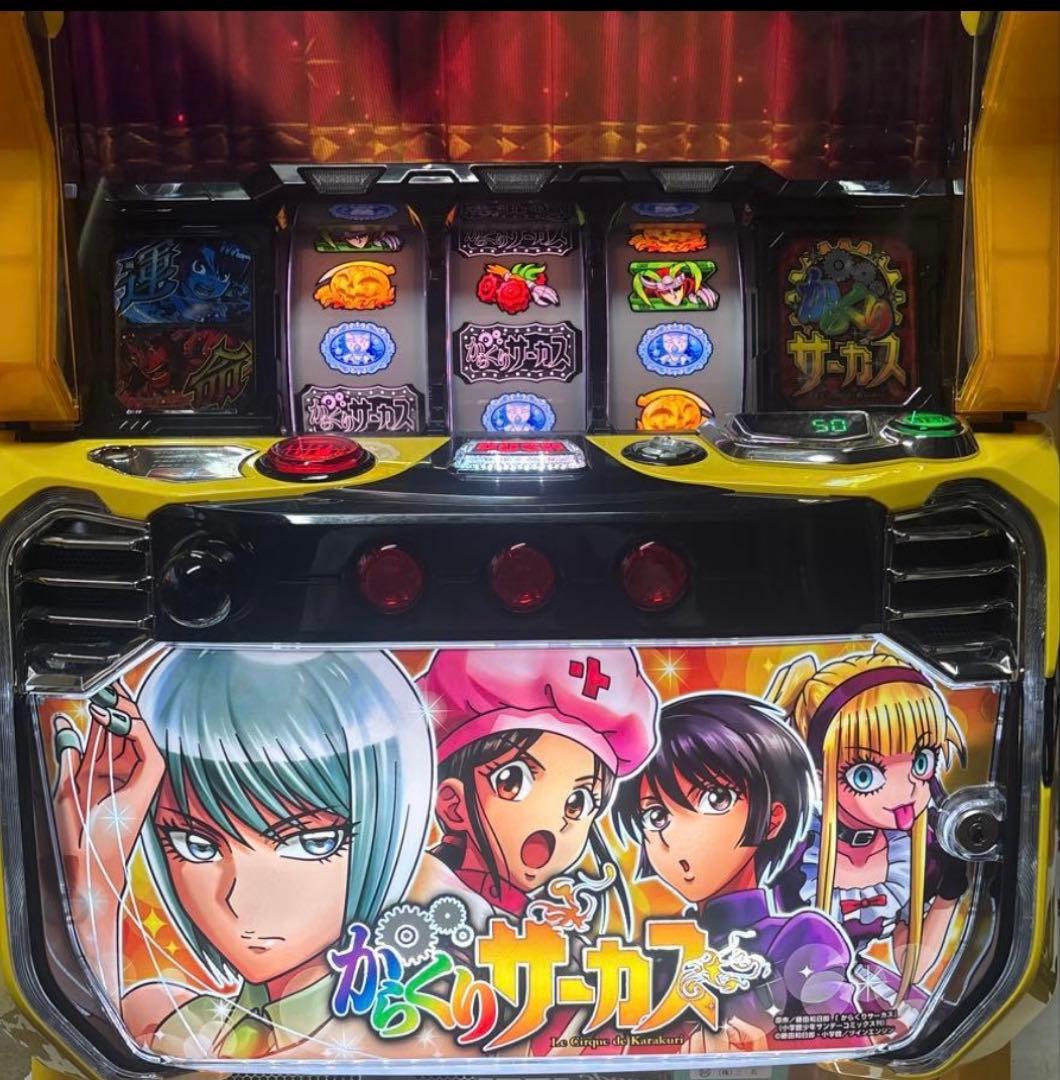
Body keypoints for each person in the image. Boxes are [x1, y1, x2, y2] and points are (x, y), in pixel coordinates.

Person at [50, 648, 434, 1061]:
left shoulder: (415, 1032)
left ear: (387, 823)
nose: (242, 901)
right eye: (196, 845)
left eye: (311, 843)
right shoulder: (182, 1026)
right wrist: (96, 873)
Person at [612, 691, 860, 1051]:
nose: (677, 837)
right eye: (656, 815)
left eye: (716, 799)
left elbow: (845, 1043)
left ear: (772, 819)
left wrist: (764, 1049)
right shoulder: (654, 956)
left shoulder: (799, 938)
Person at [766, 646, 968, 1010]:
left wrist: (948, 895)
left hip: (853, 1000)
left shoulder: (917, 851)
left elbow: (911, 966)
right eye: (865, 774)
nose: (906, 789)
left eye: (921, 762)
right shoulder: (792, 852)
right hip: (776, 999)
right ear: (819, 776)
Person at [409, 648, 659, 929]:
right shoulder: (428, 898)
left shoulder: (522, 914)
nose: (555, 820)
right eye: (511, 782)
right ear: (453, 805)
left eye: (578, 803)